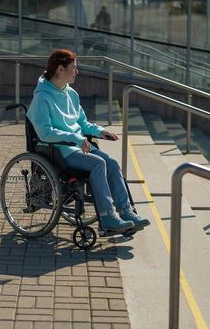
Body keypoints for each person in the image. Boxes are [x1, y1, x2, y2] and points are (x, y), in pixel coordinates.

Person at [26, 49, 150, 234]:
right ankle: (108, 217)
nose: (77, 72)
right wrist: (74, 137)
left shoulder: (71, 94)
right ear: (60, 69)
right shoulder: (42, 98)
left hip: (79, 147)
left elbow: (82, 123)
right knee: (99, 164)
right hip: (59, 151)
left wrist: (100, 131)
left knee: (112, 163)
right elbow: (45, 133)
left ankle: (126, 212)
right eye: (73, 68)